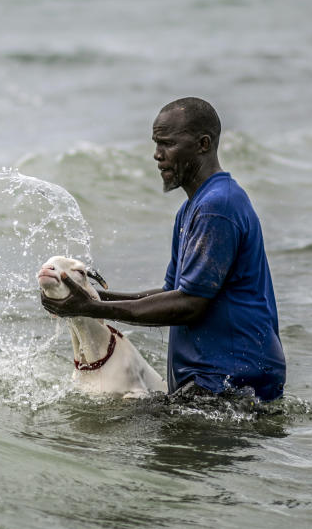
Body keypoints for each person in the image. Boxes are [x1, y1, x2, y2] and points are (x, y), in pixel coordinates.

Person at [41, 97, 286, 401]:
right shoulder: (192, 209)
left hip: (232, 382)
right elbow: (170, 294)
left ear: (203, 144)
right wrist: (89, 296)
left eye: (167, 144)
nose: (157, 155)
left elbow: (189, 305)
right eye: (156, 144)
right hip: (212, 381)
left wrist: (91, 309)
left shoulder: (217, 207)